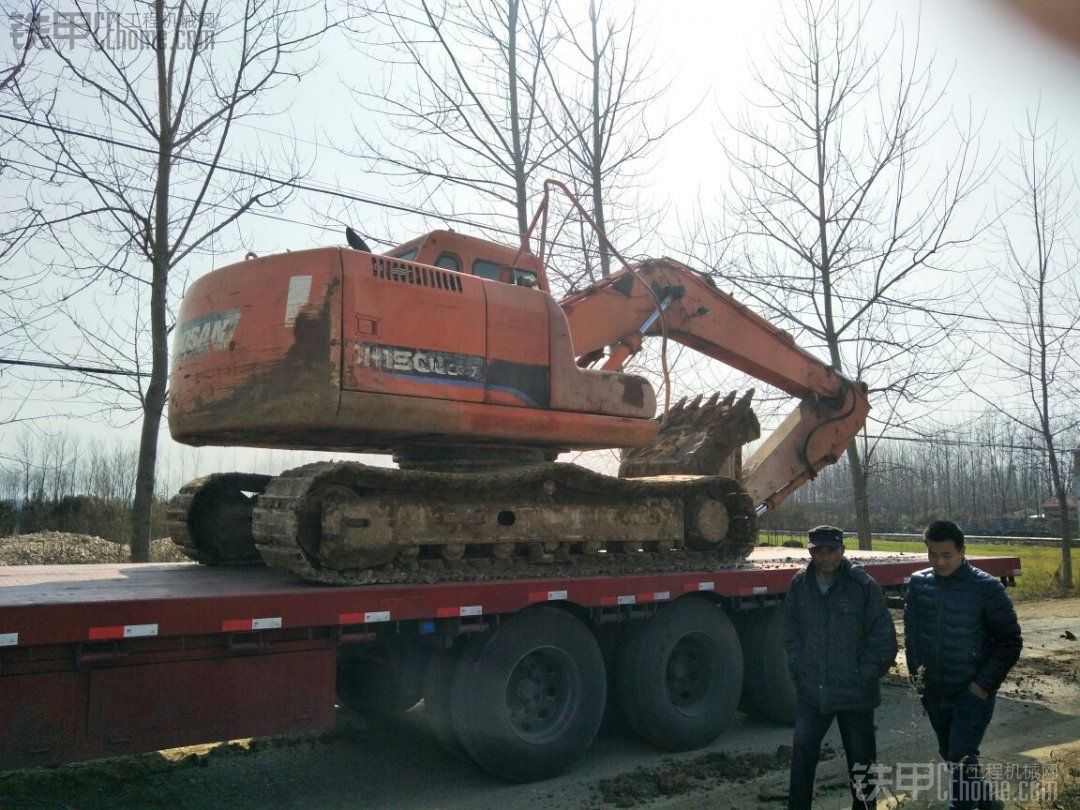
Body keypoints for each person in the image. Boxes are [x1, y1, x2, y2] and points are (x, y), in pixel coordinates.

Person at [904, 519, 1022, 810]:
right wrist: (918, 679)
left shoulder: (986, 588)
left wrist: (981, 686)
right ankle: (989, 805)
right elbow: (913, 635)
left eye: (947, 555)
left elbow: (1010, 642)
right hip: (934, 691)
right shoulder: (920, 584)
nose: (939, 561)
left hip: (971, 692)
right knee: (952, 754)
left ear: (962, 551)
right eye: (933, 555)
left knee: (960, 756)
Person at [783, 525, 899, 810]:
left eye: (831, 550)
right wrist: (799, 668)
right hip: (814, 692)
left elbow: (883, 641)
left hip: (855, 695)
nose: (825, 557)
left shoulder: (863, 586)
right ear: (811, 553)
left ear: (842, 550)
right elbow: (790, 633)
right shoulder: (800, 585)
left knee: (861, 766)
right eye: (818, 551)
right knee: (802, 758)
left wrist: (862, 676)